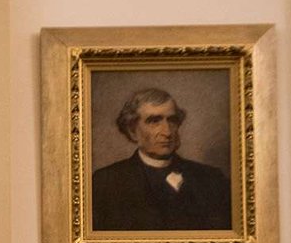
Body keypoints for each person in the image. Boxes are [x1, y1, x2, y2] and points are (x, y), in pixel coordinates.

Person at [91, 87, 231, 231]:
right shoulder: (105, 182)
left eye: (172, 120)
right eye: (154, 121)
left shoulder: (212, 179)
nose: (167, 132)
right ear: (132, 131)